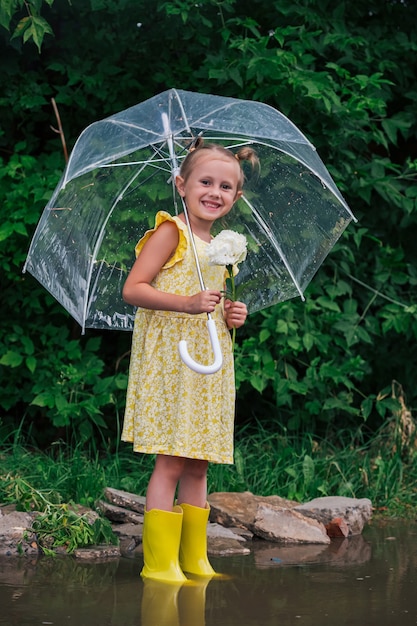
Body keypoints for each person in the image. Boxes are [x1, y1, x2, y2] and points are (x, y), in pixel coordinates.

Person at [121, 141, 259, 583]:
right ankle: (160, 563)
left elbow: (213, 305)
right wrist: (185, 303)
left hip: (208, 362)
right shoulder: (171, 232)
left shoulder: (222, 248)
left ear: (236, 196)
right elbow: (134, 289)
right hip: (172, 363)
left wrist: (231, 314)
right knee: (172, 459)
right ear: (181, 184)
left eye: (225, 186)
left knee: (199, 459)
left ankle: (195, 558)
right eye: (205, 182)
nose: (214, 192)